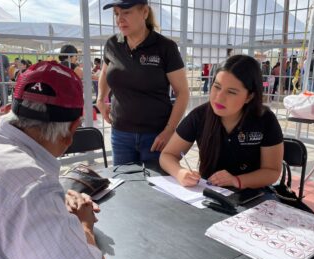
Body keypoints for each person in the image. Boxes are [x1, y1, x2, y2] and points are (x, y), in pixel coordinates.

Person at [0, 61, 104, 259]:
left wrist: (54, 203)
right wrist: (84, 223)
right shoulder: (33, 187)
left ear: (11, 110)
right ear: (72, 131)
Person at [160, 55, 283, 188]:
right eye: (217, 87)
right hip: (209, 194)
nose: (219, 98)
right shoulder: (199, 116)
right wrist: (180, 173)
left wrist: (237, 180)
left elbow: (272, 171)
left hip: (252, 195)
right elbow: (167, 155)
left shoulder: (265, 119)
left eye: (231, 92)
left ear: (249, 97)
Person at [98, 0, 189, 165]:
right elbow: (105, 72)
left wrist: (169, 130)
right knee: (124, 185)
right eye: (117, 14)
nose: (119, 19)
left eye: (126, 12)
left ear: (145, 12)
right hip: (120, 133)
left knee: (156, 186)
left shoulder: (165, 47)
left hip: (156, 135)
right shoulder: (112, 44)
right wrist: (100, 99)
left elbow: (182, 93)